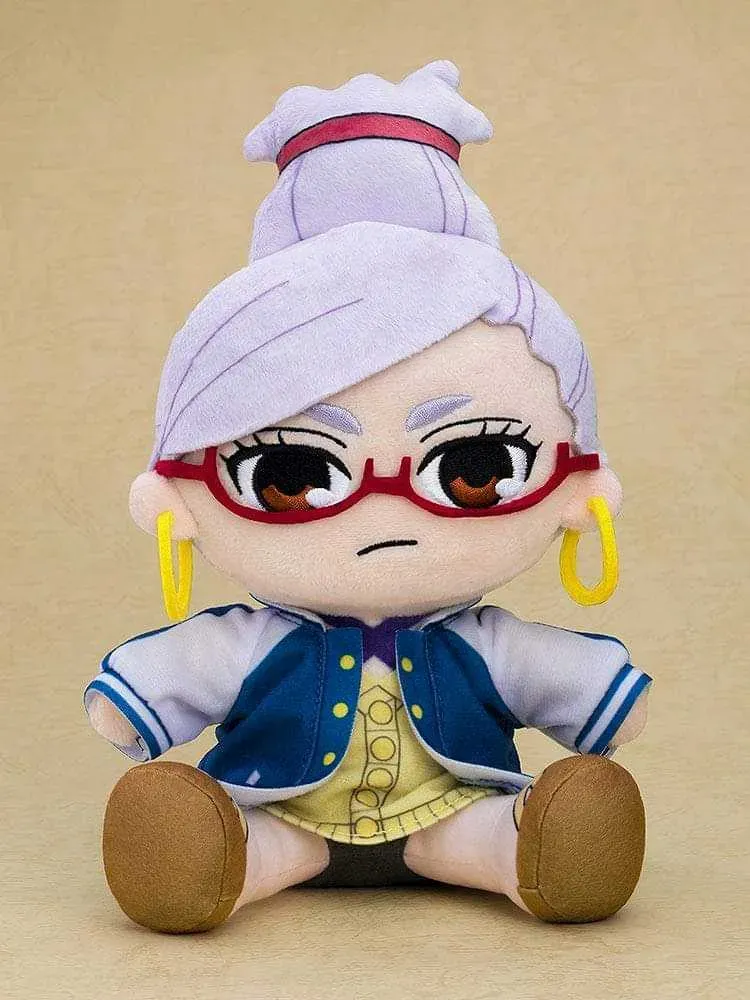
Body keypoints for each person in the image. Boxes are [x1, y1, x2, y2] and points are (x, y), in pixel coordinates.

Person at [86, 60, 651, 934]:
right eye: (292, 476)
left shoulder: (484, 645)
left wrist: (601, 696)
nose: (383, 516)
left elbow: (551, 675)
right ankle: (213, 858)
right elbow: (177, 678)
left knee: (487, 830)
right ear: (178, 497)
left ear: (575, 485)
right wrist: (137, 703)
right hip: (283, 810)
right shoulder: (252, 645)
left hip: (451, 810)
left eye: (473, 468)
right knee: (248, 836)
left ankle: (532, 851)